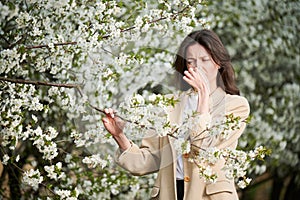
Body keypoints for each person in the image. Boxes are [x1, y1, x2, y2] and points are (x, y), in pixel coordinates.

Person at [102, 29, 250, 200]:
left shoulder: (235, 106)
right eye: (191, 62)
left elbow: (204, 150)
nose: (198, 67)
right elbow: (149, 160)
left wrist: (203, 96)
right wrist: (119, 135)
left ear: (218, 63)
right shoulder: (169, 105)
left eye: (205, 60)